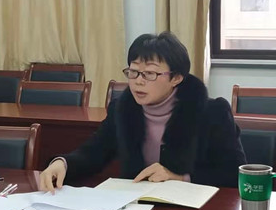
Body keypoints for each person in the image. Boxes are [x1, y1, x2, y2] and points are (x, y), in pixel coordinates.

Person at [39, 31, 246, 191]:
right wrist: (63, 164)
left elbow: (234, 174)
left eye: (150, 74)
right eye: (134, 71)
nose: (138, 81)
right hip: (136, 207)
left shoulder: (212, 113)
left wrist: (179, 177)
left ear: (176, 78)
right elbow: (94, 152)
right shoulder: (122, 110)